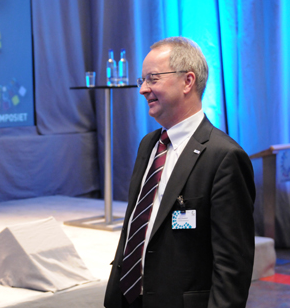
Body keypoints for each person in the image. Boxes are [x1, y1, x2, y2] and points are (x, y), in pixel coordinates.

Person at [104, 37, 255, 308]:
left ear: (187, 81)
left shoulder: (224, 157)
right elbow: (135, 227)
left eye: (153, 78)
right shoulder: (149, 144)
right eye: (142, 81)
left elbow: (232, 265)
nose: (143, 90)